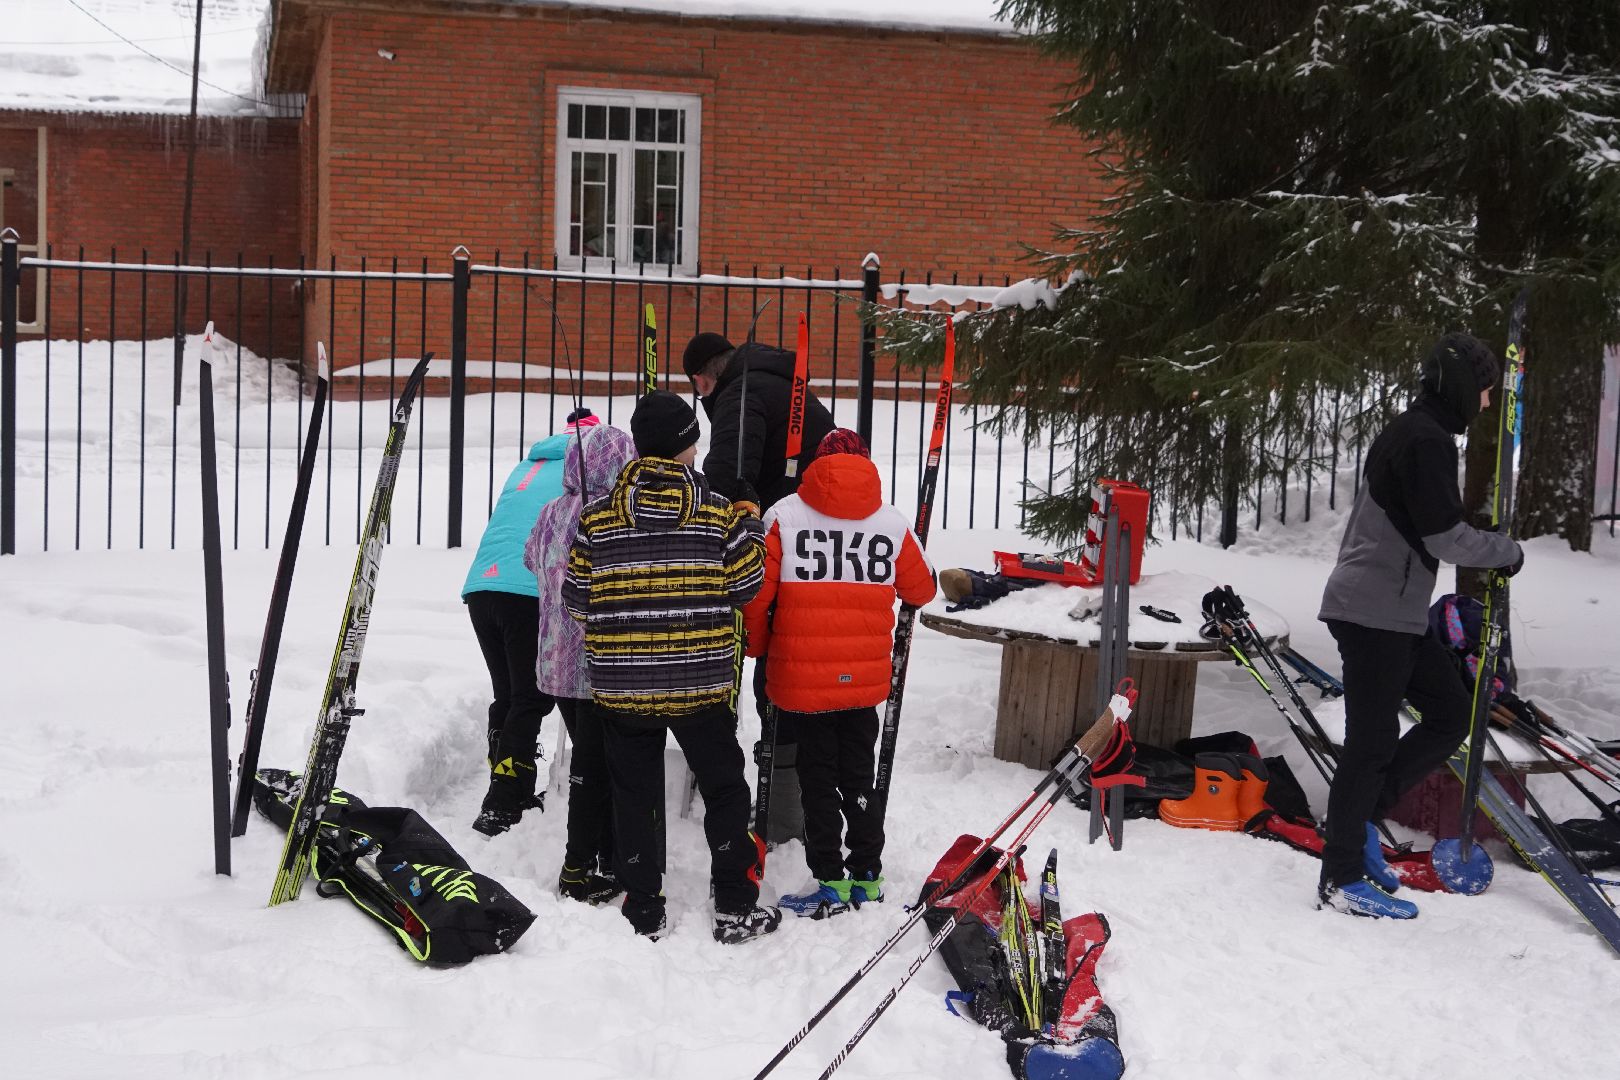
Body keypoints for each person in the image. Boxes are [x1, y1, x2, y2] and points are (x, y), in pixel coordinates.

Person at [1315, 332, 1524, 919]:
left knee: (1451, 712)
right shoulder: (1425, 440)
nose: (1486, 404)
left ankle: (1357, 827)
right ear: (1461, 388)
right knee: (1372, 743)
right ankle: (1340, 875)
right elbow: (1445, 538)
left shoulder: (1419, 432)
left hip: (1395, 613)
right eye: (1484, 391)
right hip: (1373, 612)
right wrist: (1505, 551)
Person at [563, 390, 781, 943]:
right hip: (700, 682)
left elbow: (575, 601)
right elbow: (746, 586)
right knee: (726, 790)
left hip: (622, 686)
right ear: (688, 445)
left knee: (634, 792)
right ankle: (734, 903)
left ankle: (643, 907)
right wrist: (751, 530)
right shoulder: (714, 513)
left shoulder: (598, 517)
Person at [743, 429, 936, 918]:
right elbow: (922, 590)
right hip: (864, 680)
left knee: (817, 778)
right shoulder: (890, 523)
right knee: (859, 774)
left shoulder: (784, 517)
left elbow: (757, 600)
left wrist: (761, 651)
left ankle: (830, 877)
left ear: (816, 465)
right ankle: (867, 872)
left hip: (802, 682)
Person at [683, 330, 837, 844]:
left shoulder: (740, 396)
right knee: (807, 672)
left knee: (774, 671)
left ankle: (780, 812)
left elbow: (727, 474)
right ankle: (804, 804)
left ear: (706, 376)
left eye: (697, 386)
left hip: (779, 547)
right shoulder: (791, 387)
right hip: (826, 550)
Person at [524, 414, 637, 903]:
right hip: (597, 666)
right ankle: (582, 867)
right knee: (596, 769)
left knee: (592, 763)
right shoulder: (610, 516)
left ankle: (599, 859)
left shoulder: (552, 509)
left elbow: (530, 559)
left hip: (554, 662)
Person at [463, 412, 593, 836]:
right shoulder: (585, 470)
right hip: (527, 588)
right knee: (532, 697)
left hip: (482, 587)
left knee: (510, 694)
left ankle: (510, 782)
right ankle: (501, 804)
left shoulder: (529, 464)